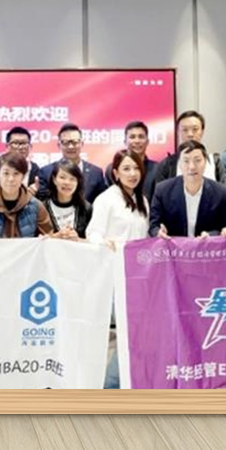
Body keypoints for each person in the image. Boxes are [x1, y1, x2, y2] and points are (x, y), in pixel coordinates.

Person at [85, 149, 149, 390]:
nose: (132, 174)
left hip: (137, 278)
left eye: (136, 168)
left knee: (134, 335)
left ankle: (124, 384)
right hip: (113, 277)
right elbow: (93, 233)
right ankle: (109, 386)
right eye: (126, 169)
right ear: (115, 173)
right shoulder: (106, 199)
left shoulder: (142, 200)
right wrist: (104, 242)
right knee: (126, 333)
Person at [149, 141, 226, 238]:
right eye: (186, 161)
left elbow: (224, 227)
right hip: (174, 246)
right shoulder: (163, 190)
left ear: (205, 163)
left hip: (206, 246)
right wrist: (159, 232)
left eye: (197, 160)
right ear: (179, 164)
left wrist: (210, 235)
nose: (192, 167)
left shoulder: (220, 192)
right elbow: (154, 225)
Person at [38, 123, 107, 203]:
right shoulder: (46, 172)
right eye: (66, 142)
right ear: (59, 145)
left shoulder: (96, 172)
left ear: (82, 144)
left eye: (75, 142)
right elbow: (44, 202)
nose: (70, 146)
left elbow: (102, 202)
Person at [153, 110, 218, 187]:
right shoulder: (166, 165)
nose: (190, 134)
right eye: (185, 130)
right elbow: (160, 192)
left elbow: (223, 192)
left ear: (202, 131)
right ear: (178, 132)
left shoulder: (215, 162)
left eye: (195, 129)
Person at [104, 121, 159, 202]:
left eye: (141, 137)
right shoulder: (112, 168)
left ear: (147, 141)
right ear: (125, 141)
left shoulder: (157, 169)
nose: (137, 141)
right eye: (132, 137)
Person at [41, 159, 93, 240]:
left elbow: (93, 241)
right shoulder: (42, 208)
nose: (67, 182)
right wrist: (55, 237)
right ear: (54, 180)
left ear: (78, 182)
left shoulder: (86, 208)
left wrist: (78, 239)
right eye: (62, 177)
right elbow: (37, 239)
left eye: (72, 179)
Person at [5, 126, 41, 196]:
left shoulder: (38, 172)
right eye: (15, 143)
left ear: (30, 146)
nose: (20, 147)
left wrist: (37, 194)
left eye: (24, 143)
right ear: (7, 147)